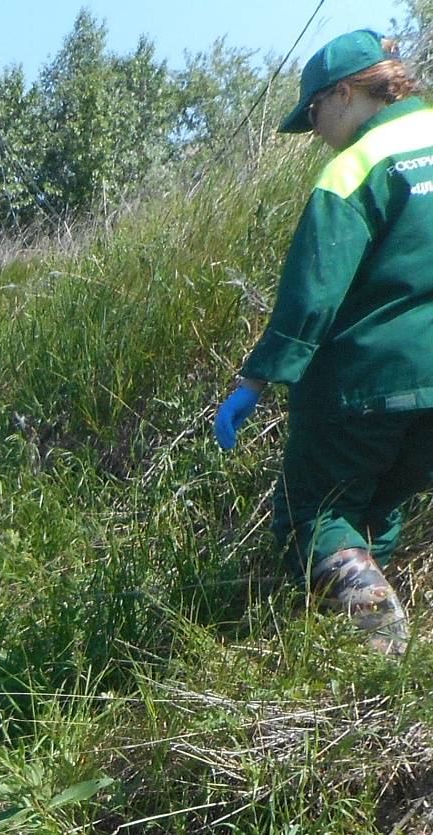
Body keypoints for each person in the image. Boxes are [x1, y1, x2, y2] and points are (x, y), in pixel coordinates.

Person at [216, 29, 433, 655]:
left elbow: (312, 294)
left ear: (344, 92)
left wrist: (254, 381)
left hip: (366, 381)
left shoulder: (354, 169)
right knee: (376, 512)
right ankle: (368, 673)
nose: (313, 128)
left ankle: (387, 651)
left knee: (312, 515)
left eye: (313, 111)